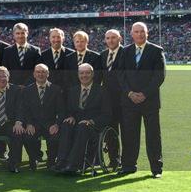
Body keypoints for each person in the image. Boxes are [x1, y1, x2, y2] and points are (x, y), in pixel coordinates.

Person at [117, 22, 165, 178]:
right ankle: (129, 166)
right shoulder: (125, 51)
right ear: (131, 34)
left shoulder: (156, 51)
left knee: (153, 135)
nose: (139, 34)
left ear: (147, 33)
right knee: (129, 135)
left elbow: (159, 76)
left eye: (142, 31)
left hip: (149, 101)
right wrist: (129, 93)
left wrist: (144, 94)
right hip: (129, 101)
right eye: (136, 32)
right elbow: (120, 75)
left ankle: (156, 169)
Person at [55, 63, 111, 174]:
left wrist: (91, 121)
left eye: (87, 73)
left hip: (93, 127)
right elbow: (69, 109)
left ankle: (74, 164)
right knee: (66, 125)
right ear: (78, 75)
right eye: (81, 73)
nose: (84, 75)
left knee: (82, 127)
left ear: (92, 74)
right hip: (76, 125)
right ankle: (61, 162)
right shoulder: (72, 90)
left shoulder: (102, 91)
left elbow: (107, 114)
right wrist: (70, 117)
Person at [17, 64, 65, 170]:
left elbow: (61, 111)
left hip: (50, 124)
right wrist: (29, 124)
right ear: (34, 74)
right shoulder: (27, 90)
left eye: (43, 72)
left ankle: (51, 161)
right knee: (27, 137)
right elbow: (25, 110)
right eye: (38, 72)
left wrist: (57, 124)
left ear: (48, 74)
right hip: (34, 124)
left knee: (55, 138)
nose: (40, 74)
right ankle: (33, 159)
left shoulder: (56, 89)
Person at [100, 29, 124, 169]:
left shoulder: (126, 53)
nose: (110, 40)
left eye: (113, 37)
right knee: (111, 133)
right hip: (108, 102)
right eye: (108, 38)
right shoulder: (103, 55)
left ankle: (127, 161)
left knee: (127, 133)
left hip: (124, 100)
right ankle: (114, 160)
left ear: (119, 38)